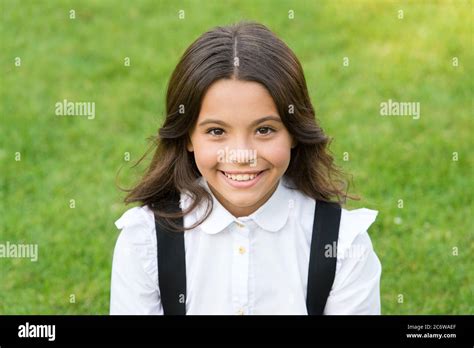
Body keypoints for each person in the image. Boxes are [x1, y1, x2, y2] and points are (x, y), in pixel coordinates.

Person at [110, 21, 381, 315]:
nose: (241, 155)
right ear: (188, 136)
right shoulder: (145, 240)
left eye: (264, 130)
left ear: (294, 132)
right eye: (216, 131)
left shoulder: (342, 242)